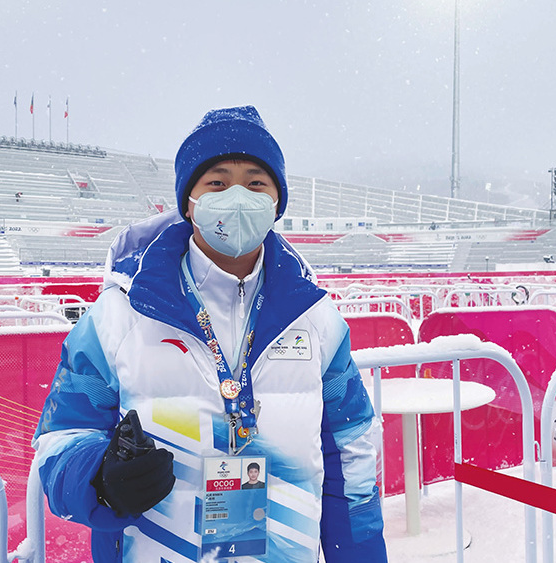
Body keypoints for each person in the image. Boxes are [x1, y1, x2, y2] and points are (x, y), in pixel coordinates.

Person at [33, 105, 386, 562]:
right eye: (217, 183)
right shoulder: (118, 316)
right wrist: (99, 479)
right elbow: (61, 437)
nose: (237, 197)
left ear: (276, 204)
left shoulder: (317, 320)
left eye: (256, 184)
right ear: (189, 203)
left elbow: (352, 455)